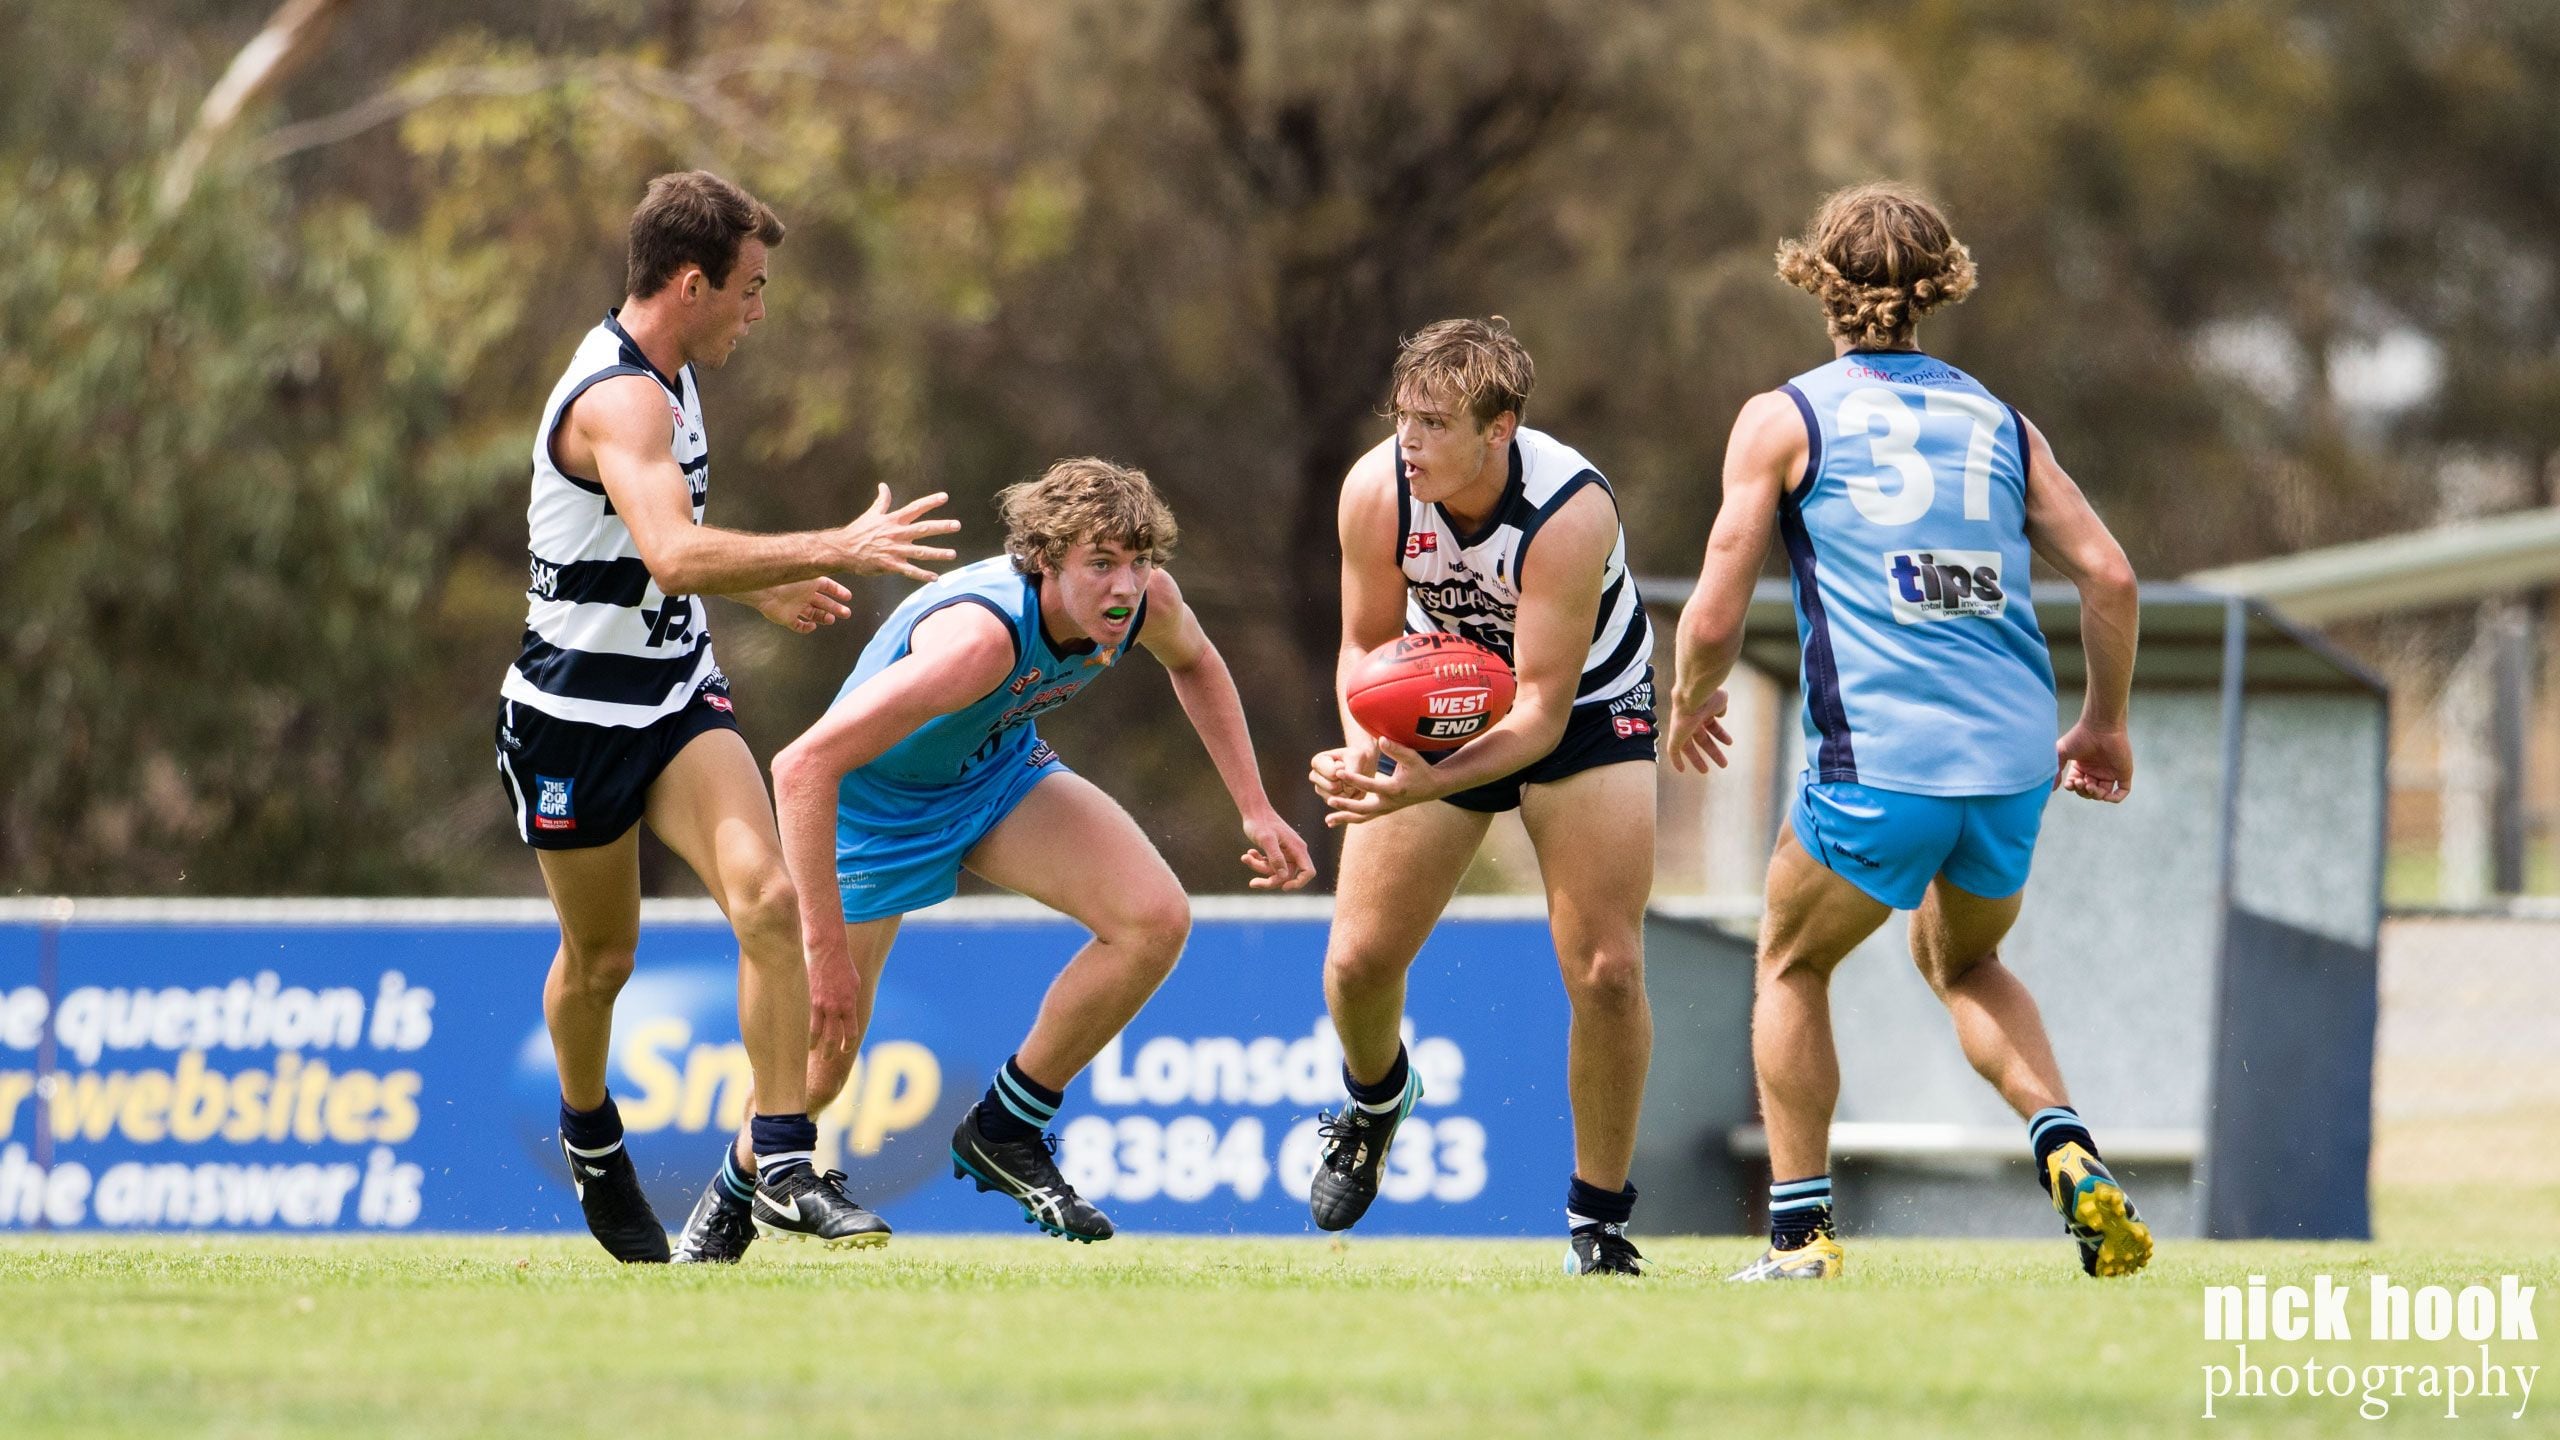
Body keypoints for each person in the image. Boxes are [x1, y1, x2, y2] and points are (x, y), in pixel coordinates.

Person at [1663, 182, 2151, 1281]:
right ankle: (2066, 1148)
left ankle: (1799, 1239)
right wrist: (2104, 724)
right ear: (1942, 283)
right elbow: (2112, 577)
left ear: (1815, 279)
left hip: (1879, 762)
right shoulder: (2001, 421)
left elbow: (1715, 609)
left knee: (1791, 961)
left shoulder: (1784, 417)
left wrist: (1689, 697)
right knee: (1966, 961)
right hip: (2013, 763)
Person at [669, 458, 1315, 1261]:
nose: (1125, 587)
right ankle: (736, 1195)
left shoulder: (1145, 603)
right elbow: (802, 767)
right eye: (1101, 563)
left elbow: (1197, 662)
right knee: (822, 1064)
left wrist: (1255, 808)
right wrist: (822, 949)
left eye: (1139, 560)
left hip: (994, 772)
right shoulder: (980, 642)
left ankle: (1006, 1127)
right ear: (1044, 560)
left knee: (1154, 920)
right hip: (875, 809)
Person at [496, 170, 960, 1262]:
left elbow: (652, 551)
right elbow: (669, 552)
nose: (759, 310)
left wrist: (757, 589)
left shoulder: (677, 378)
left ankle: (781, 1159)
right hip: (571, 717)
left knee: (769, 899)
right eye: (750, 288)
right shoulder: (619, 397)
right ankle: (590, 1135)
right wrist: (833, 546)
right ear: (690, 284)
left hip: (673, 697)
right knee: (602, 960)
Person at [1309, 318, 1664, 1276]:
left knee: (1606, 970)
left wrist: (1426, 782)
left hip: (1586, 708)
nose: (1409, 442)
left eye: (1433, 425)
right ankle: (1377, 1103)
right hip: (1444, 704)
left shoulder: (1569, 511)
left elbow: (1541, 713)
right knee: (1357, 965)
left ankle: (1597, 1224)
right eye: (1402, 419)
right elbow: (1363, 649)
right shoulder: (1376, 490)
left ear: (1499, 429)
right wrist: (1371, 756)